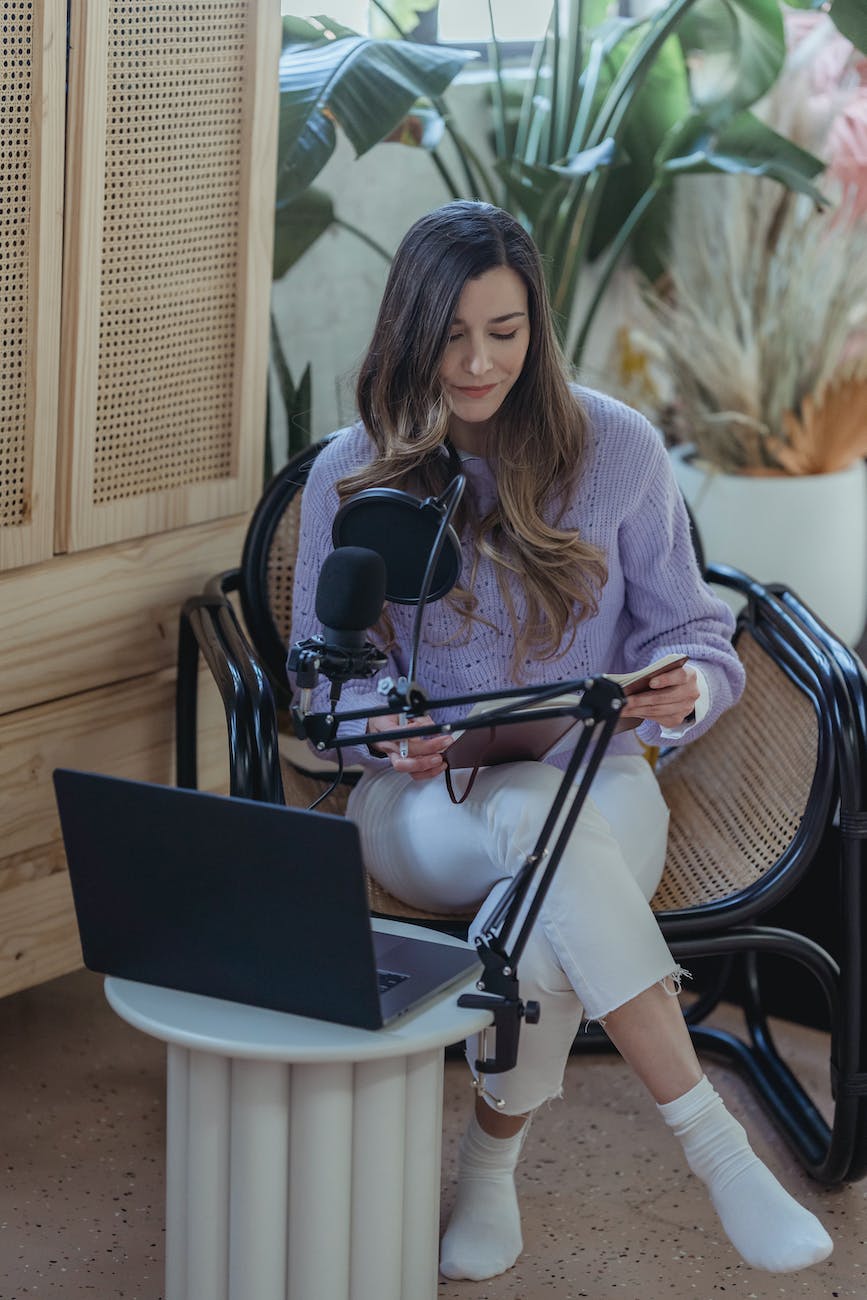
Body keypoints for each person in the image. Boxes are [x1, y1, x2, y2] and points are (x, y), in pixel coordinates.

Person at [289, 201, 833, 1280]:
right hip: (421, 807)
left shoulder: (616, 450)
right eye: (452, 334)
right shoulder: (353, 473)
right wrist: (380, 728)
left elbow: (696, 632)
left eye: (505, 330)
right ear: (409, 330)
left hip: (598, 777)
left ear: (535, 329)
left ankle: (489, 1172)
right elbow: (326, 677)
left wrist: (686, 686)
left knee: (540, 883)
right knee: (538, 835)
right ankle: (718, 1151)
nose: (479, 360)